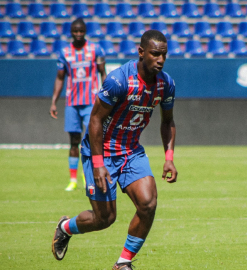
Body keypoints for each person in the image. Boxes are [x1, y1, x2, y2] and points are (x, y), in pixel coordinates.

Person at [51, 30, 178, 270]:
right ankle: (65, 227)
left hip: (131, 152)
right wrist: (98, 163)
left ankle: (123, 263)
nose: (160, 60)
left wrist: (169, 158)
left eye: (164, 55)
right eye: (154, 54)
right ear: (141, 52)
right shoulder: (119, 80)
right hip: (101, 151)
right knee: (104, 219)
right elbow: (95, 120)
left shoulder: (166, 84)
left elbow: (167, 121)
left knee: (148, 203)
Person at [50, 18, 107, 191]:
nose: (78, 34)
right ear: (71, 32)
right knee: (74, 141)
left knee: (91, 140)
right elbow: (60, 77)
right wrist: (54, 101)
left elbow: (103, 74)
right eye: (75, 31)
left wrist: (107, 98)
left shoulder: (95, 49)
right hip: (72, 103)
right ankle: (73, 179)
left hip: (91, 102)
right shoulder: (65, 52)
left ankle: (87, 175)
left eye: (81, 31)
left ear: (85, 31)